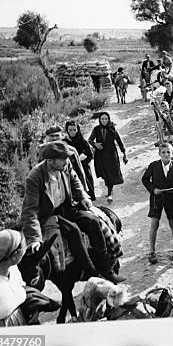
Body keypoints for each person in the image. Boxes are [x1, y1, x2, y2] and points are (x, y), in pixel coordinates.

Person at [21, 141, 125, 283]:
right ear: (50, 161)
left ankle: (106, 269)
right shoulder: (35, 177)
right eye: (62, 158)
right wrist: (33, 239)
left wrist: (82, 196)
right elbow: (29, 211)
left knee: (93, 221)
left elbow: (75, 180)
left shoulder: (65, 165)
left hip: (67, 206)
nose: (66, 161)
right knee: (73, 231)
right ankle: (91, 272)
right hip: (51, 214)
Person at [0, 230, 59, 328]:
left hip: (20, 323)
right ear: (14, 255)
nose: (25, 251)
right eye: (24, 249)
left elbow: (20, 288)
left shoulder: (13, 269)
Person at [142, 142, 173, 265]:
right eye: (163, 152)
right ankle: (152, 251)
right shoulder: (153, 166)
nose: (166, 154)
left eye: (168, 152)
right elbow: (145, 179)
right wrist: (153, 189)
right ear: (159, 154)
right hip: (157, 198)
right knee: (154, 224)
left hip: (172, 199)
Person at [88, 112, 128, 203]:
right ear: (99, 120)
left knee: (111, 172)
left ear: (108, 119)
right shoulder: (96, 129)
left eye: (106, 119)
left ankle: (109, 193)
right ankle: (109, 189)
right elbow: (89, 140)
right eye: (102, 119)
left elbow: (119, 141)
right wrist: (95, 144)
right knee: (104, 173)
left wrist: (124, 154)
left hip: (111, 154)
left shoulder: (112, 129)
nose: (104, 121)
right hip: (100, 154)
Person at [63, 121, 96, 201]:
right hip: (71, 168)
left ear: (77, 130)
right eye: (70, 130)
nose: (72, 132)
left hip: (83, 168)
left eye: (74, 130)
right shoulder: (64, 142)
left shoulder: (82, 141)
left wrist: (82, 161)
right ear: (67, 130)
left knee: (87, 187)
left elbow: (90, 155)